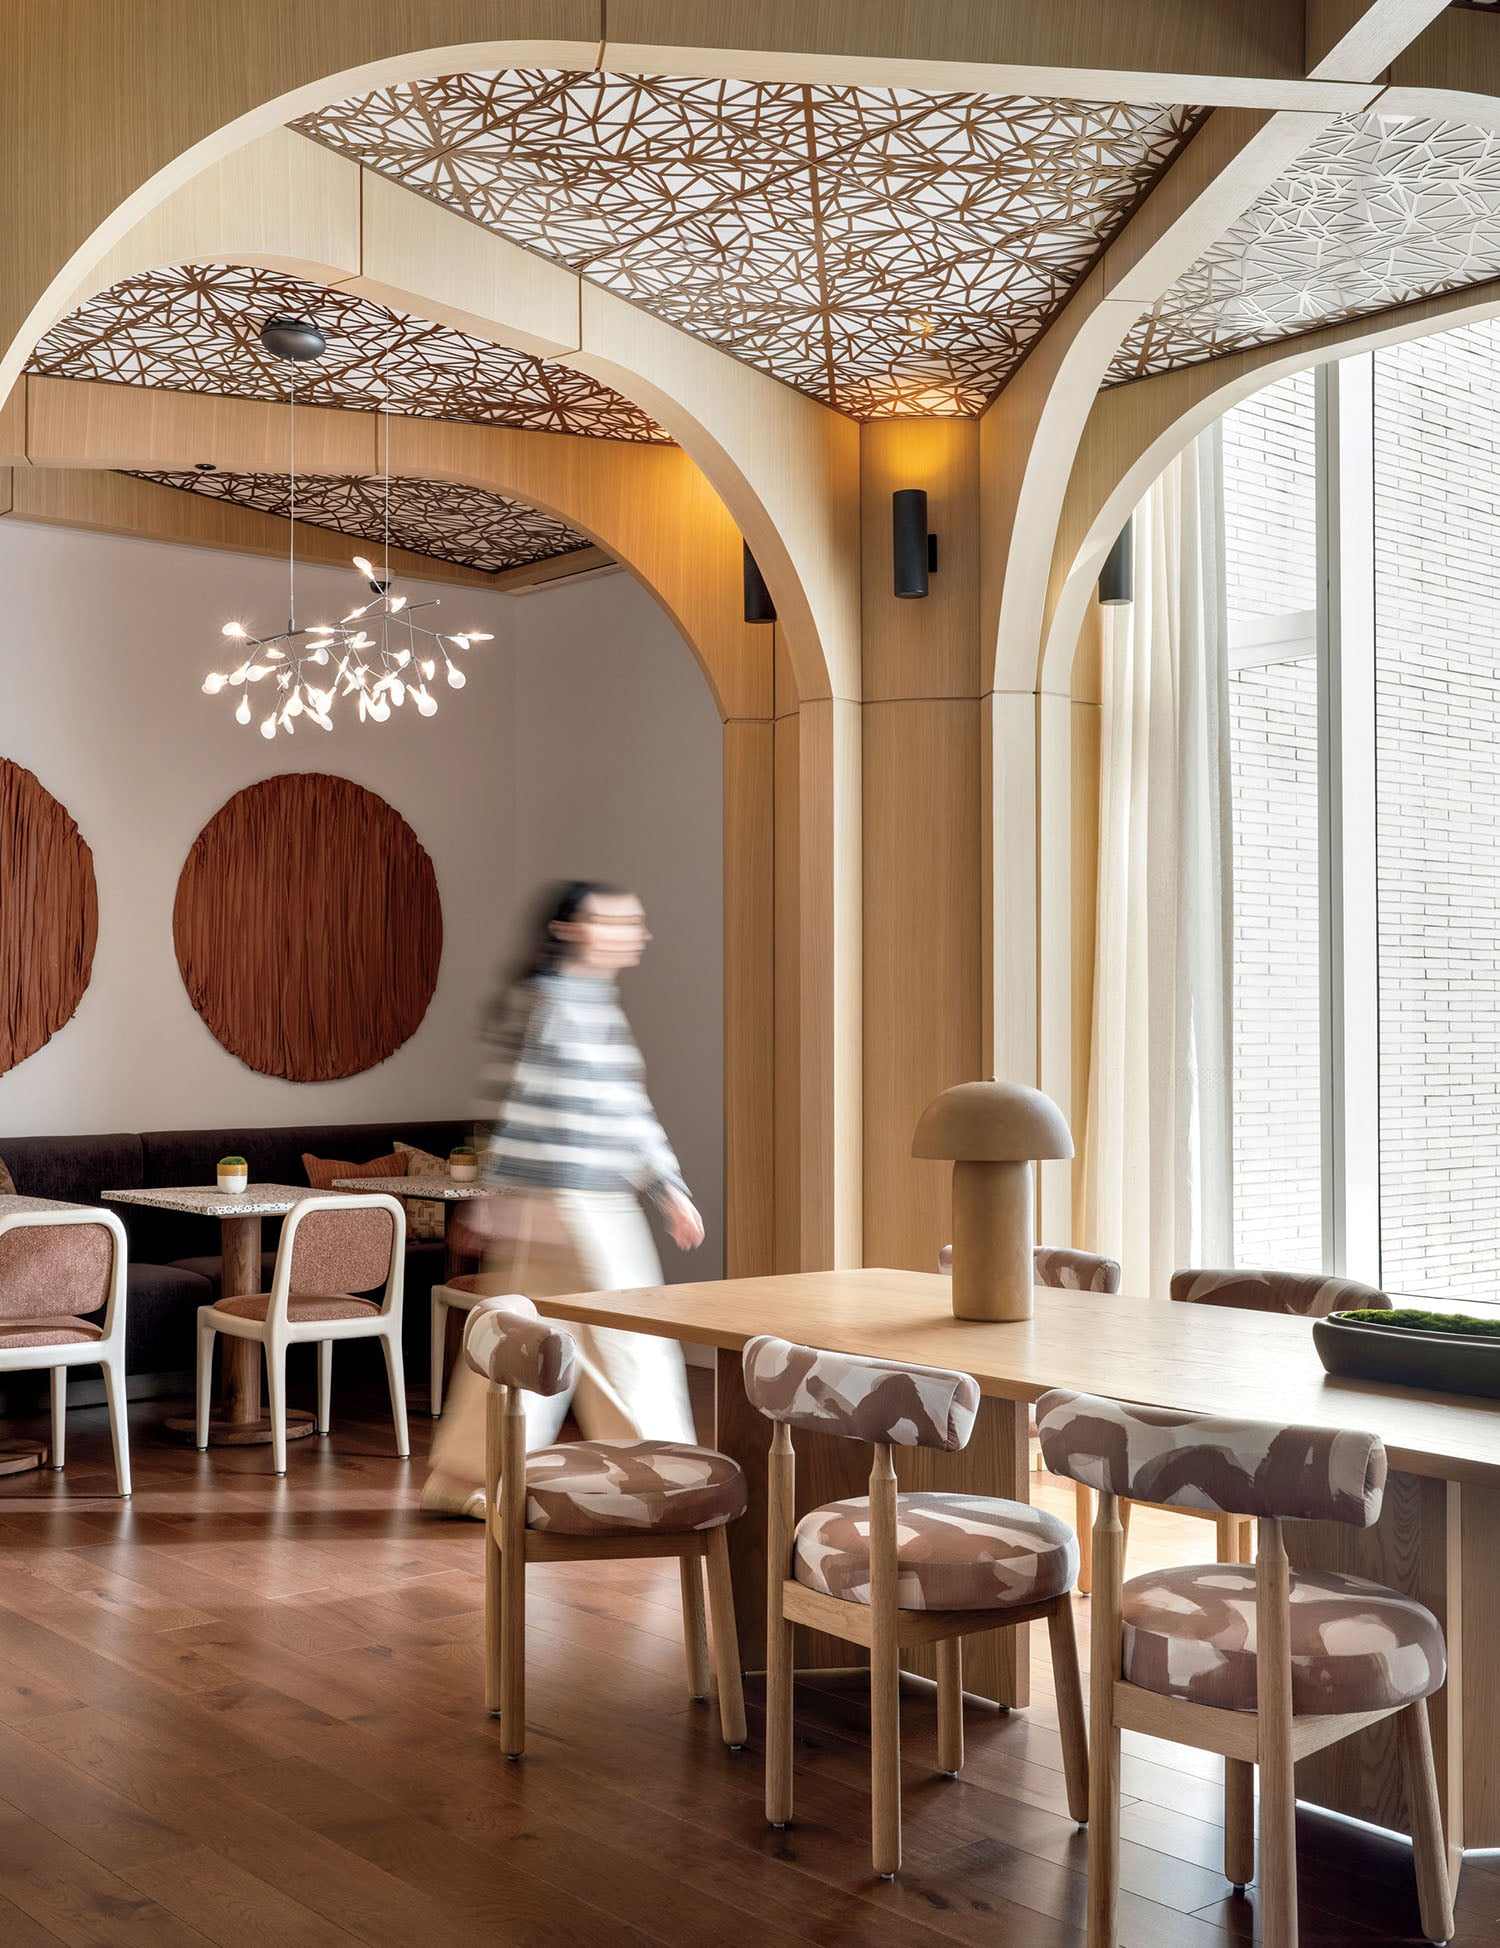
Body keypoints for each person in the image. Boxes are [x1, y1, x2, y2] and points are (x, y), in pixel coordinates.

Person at [421, 880, 704, 1516]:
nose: (637, 934)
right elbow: (514, 1100)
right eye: (618, 922)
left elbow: (625, 1110)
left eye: (637, 922)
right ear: (570, 929)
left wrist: (665, 1186)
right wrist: (500, 1195)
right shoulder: (549, 1002)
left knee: (530, 1337)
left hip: (583, 1201)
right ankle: (664, 1478)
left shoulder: (591, 1002)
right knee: (629, 1339)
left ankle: (464, 1477)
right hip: (573, 1204)